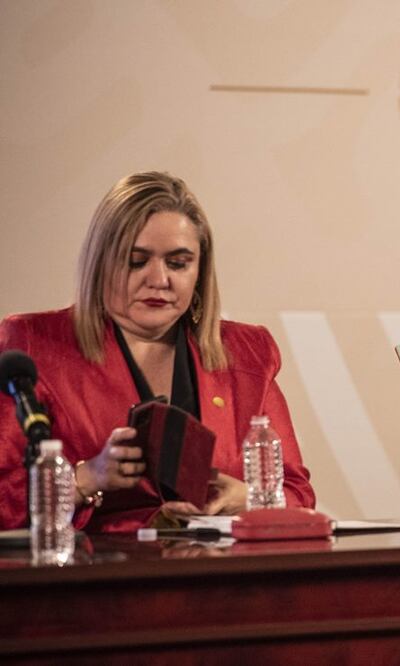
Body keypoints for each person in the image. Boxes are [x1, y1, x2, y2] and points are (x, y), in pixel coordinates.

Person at [0, 171, 316, 532]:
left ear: (200, 272)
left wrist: (248, 498)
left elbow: (298, 493)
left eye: (178, 263)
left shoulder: (247, 352)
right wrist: (88, 479)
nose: (159, 279)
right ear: (100, 262)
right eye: (136, 260)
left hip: (222, 578)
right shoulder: (33, 344)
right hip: (97, 578)